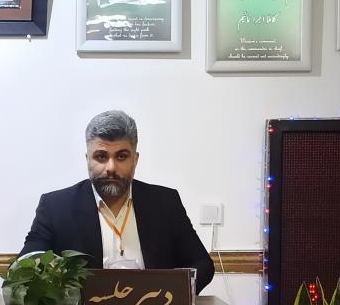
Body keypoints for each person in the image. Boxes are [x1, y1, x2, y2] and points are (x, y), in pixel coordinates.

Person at [19, 110, 214, 292]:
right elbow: (26, 265)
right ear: (87, 159)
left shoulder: (165, 202)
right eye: (101, 156)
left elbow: (202, 264)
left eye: (121, 156)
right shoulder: (55, 207)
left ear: (135, 159)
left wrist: (169, 297)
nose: (111, 167)